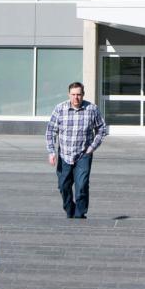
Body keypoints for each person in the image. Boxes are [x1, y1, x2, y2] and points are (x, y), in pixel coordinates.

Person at [45, 82, 108, 219]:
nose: (76, 98)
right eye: (73, 95)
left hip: (83, 154)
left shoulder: (91, 109)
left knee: (82, 186)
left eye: (79, 94)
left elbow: (102, 129)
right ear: (69, 95)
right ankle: (70, 209)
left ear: (83, 94)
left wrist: (91, 148)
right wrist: (51, 152)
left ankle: (80, 214)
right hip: (64, 154)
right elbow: (50, 131)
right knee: (63, 186)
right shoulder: (60, 109)